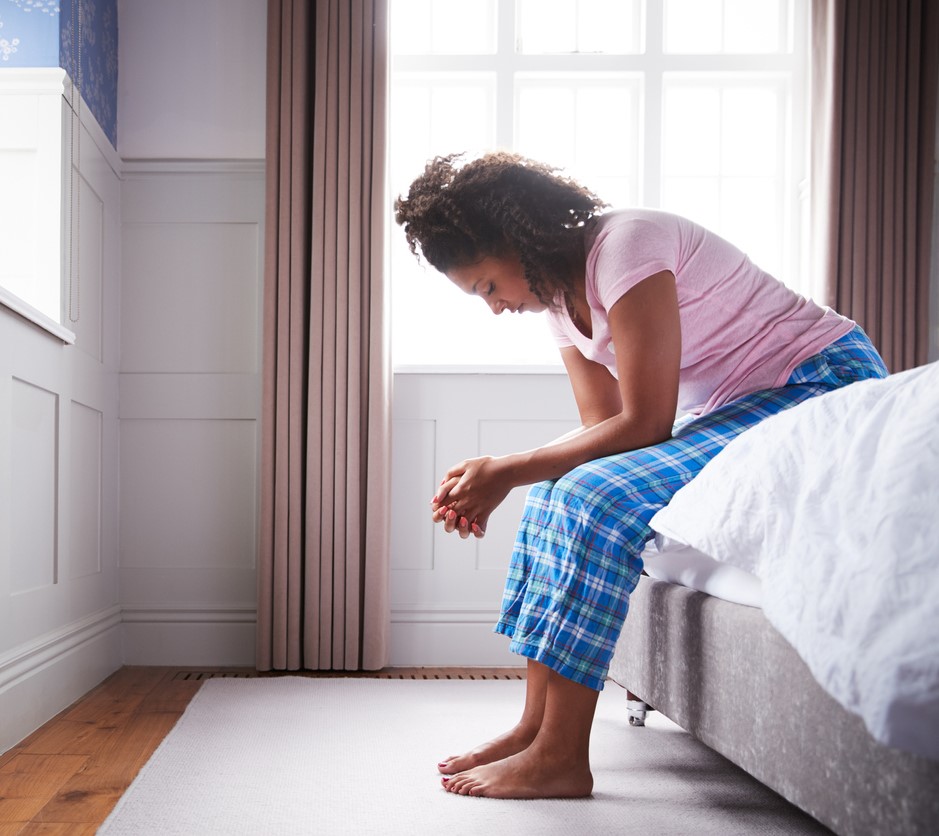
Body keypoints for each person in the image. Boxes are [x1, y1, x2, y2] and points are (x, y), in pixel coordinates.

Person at [393, 152, 888, 800]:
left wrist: (505, 468)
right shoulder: (557, 306)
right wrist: (508, 477)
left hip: (820, 382)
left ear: (516, 244)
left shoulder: (625, 245)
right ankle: (533, 729)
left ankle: (562, 759)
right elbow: (605, 428)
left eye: (488, 286)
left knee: (589, 502)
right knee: (554, 496)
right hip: (742, 405)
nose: (493, 307)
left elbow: (647, 423)